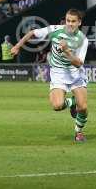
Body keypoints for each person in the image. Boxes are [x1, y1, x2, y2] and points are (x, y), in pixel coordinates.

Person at [11, 9, 89, 142]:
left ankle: (78, 132)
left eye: (73, 21)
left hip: (76, 74)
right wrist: (18, 46)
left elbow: (78, 64)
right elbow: (32, 33)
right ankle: (71, 102)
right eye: (68, 20)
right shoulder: (55, 30)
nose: (70, 24)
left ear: (79, 23)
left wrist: (67, 51)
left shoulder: (82, 39)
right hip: (58, 73)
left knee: (83, 107)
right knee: (57, 106)